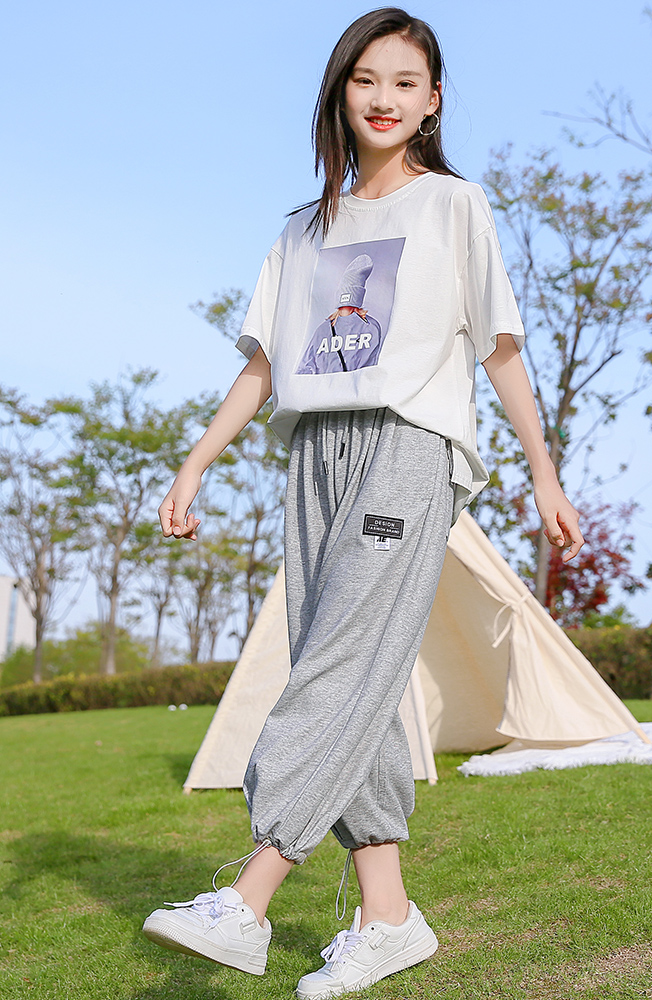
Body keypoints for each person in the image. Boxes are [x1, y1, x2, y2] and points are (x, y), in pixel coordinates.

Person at [142, 7, 584, 998]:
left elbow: (499, 348)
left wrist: (543, 471)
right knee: (352, 674)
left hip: (407, 446)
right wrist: (195, 462)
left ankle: (249, 898)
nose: (383, 98)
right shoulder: (303, 230)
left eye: (404, 82)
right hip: (314, 455)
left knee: (339, 666)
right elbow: (264, 365)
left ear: (433, 101)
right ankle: (389, 916)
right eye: (365, 79)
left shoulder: (454, 206)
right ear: (340, 91)